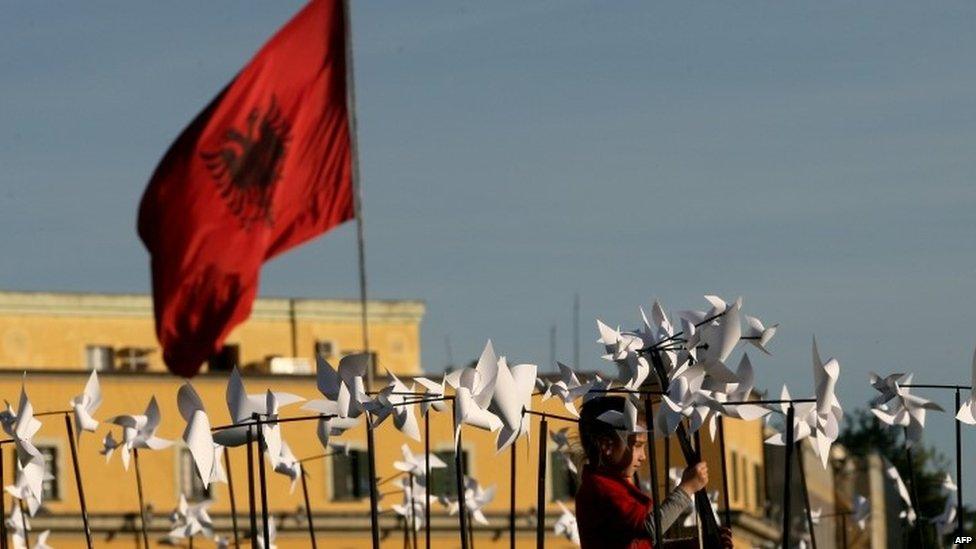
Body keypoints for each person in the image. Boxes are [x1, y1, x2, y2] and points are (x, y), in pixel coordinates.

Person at [574, 396, 733, 548]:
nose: (643, 456)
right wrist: (687, 489)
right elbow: (648, 529)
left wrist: (699, 544)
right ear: (606, 446)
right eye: (637, 445)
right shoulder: (602, 489)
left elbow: (646, 544)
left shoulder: (611, 486)